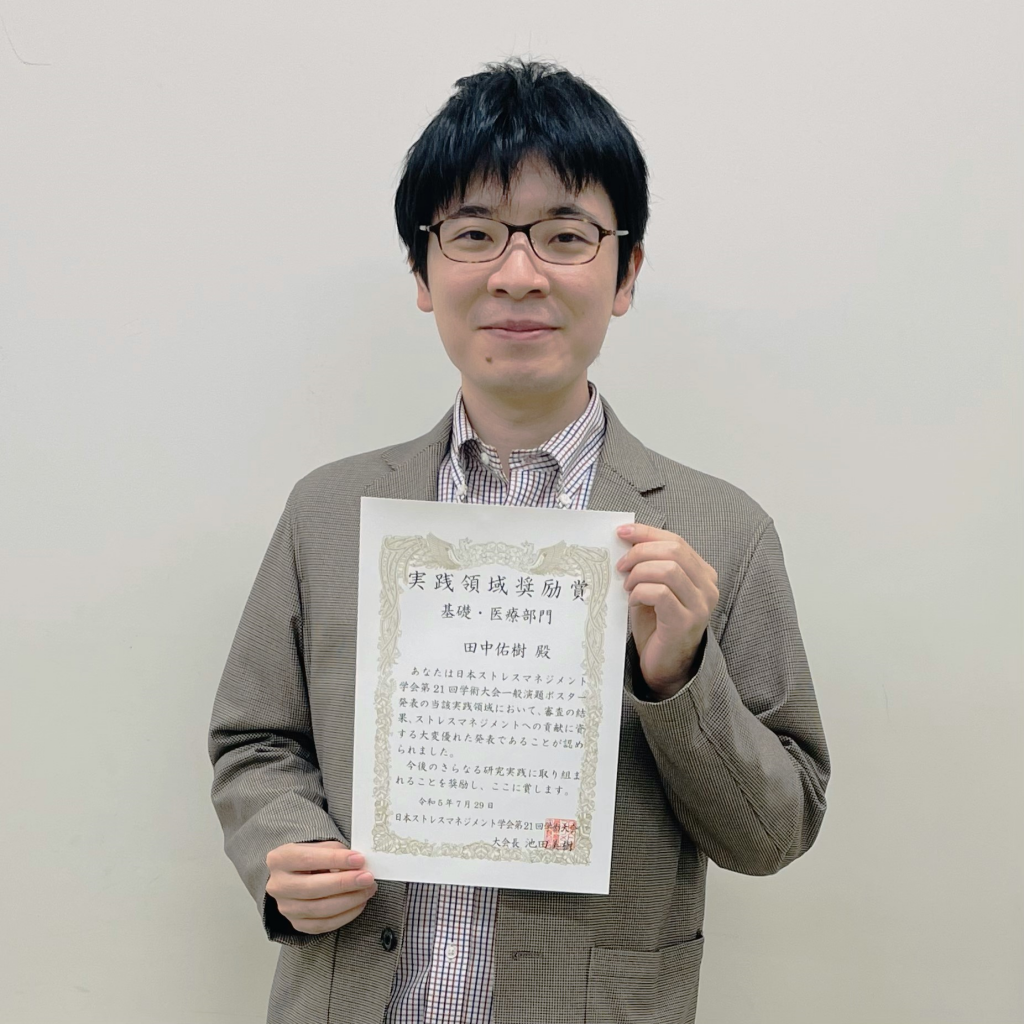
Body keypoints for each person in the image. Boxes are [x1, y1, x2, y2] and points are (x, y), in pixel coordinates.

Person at [209, 58, 830, 1024]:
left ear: (625, 274)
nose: (517, 273)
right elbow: (255, 740)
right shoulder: (329, 512)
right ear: (422, 274)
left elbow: (774, 832)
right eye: (473, 234)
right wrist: (285, 850)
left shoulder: (719, 532)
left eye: (565, 236)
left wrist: (679, 676)